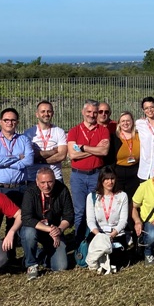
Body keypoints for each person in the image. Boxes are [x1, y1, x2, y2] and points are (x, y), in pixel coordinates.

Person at [66, 100, 111, 243]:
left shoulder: (103, 130)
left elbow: (104, 151)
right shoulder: (74, 131)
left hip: (96, 175)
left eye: (95, 112)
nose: (92, 115)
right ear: (83, 112)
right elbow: (73, 154)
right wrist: (95, 149)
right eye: (89, 112)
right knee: (80, 211)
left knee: (96, 210)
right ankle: (80, 242)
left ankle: (95, 241)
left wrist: (83, 148)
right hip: (78, 176)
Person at [20, 168, 73, 279]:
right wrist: (51, 230)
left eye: (50, 182)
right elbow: (26, 218)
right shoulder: (30, 192)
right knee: (28, 233)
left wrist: (59, 230)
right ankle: (31, 264)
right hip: (35, 228)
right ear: (37, 182)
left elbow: (69, 215)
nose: (46, 186)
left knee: (60, 267)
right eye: (43, 182)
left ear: (55, 180)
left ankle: (40, 254)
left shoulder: (62, 189)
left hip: (55, 230)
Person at [0, 108, 34, 210]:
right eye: (6, 120)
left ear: (17, 122)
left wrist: (6, 164)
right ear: (0, 122)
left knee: (17, 219)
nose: (9, 123)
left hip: (19, 188)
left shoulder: (24, 139)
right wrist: (17, 157)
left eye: (13, 120)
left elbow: (29, 160)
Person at [85, 167, 130, 274]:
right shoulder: (92, 197)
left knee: (116, 260)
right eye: (106, 179)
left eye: (112, 178)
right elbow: (90, 220)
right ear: (101, 180)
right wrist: (100, 236)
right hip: (98, 235)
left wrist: (112, 235)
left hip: (116, 234)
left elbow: (123, 220)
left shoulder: (122, 196)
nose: (110, 182)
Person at [24, 100, 68, 182]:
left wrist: (39, 159)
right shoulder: (28, 133)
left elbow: (62, 156)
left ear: (53, 113)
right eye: (43, 111)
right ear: (37, 114)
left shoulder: (59, 132)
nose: (46, 114)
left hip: (55, 177)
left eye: (49, 111)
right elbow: (29, 156)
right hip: (33, 178)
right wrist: (53, 152)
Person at [112, 111, 141, 197]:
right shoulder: (114, 137)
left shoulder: (139, 136)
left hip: (135, 171)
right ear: (119, 123)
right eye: (123, 121)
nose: (125, 123)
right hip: (118, 172)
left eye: (128, 120)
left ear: (132, 122)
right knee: (119, 198)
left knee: (133, 198)